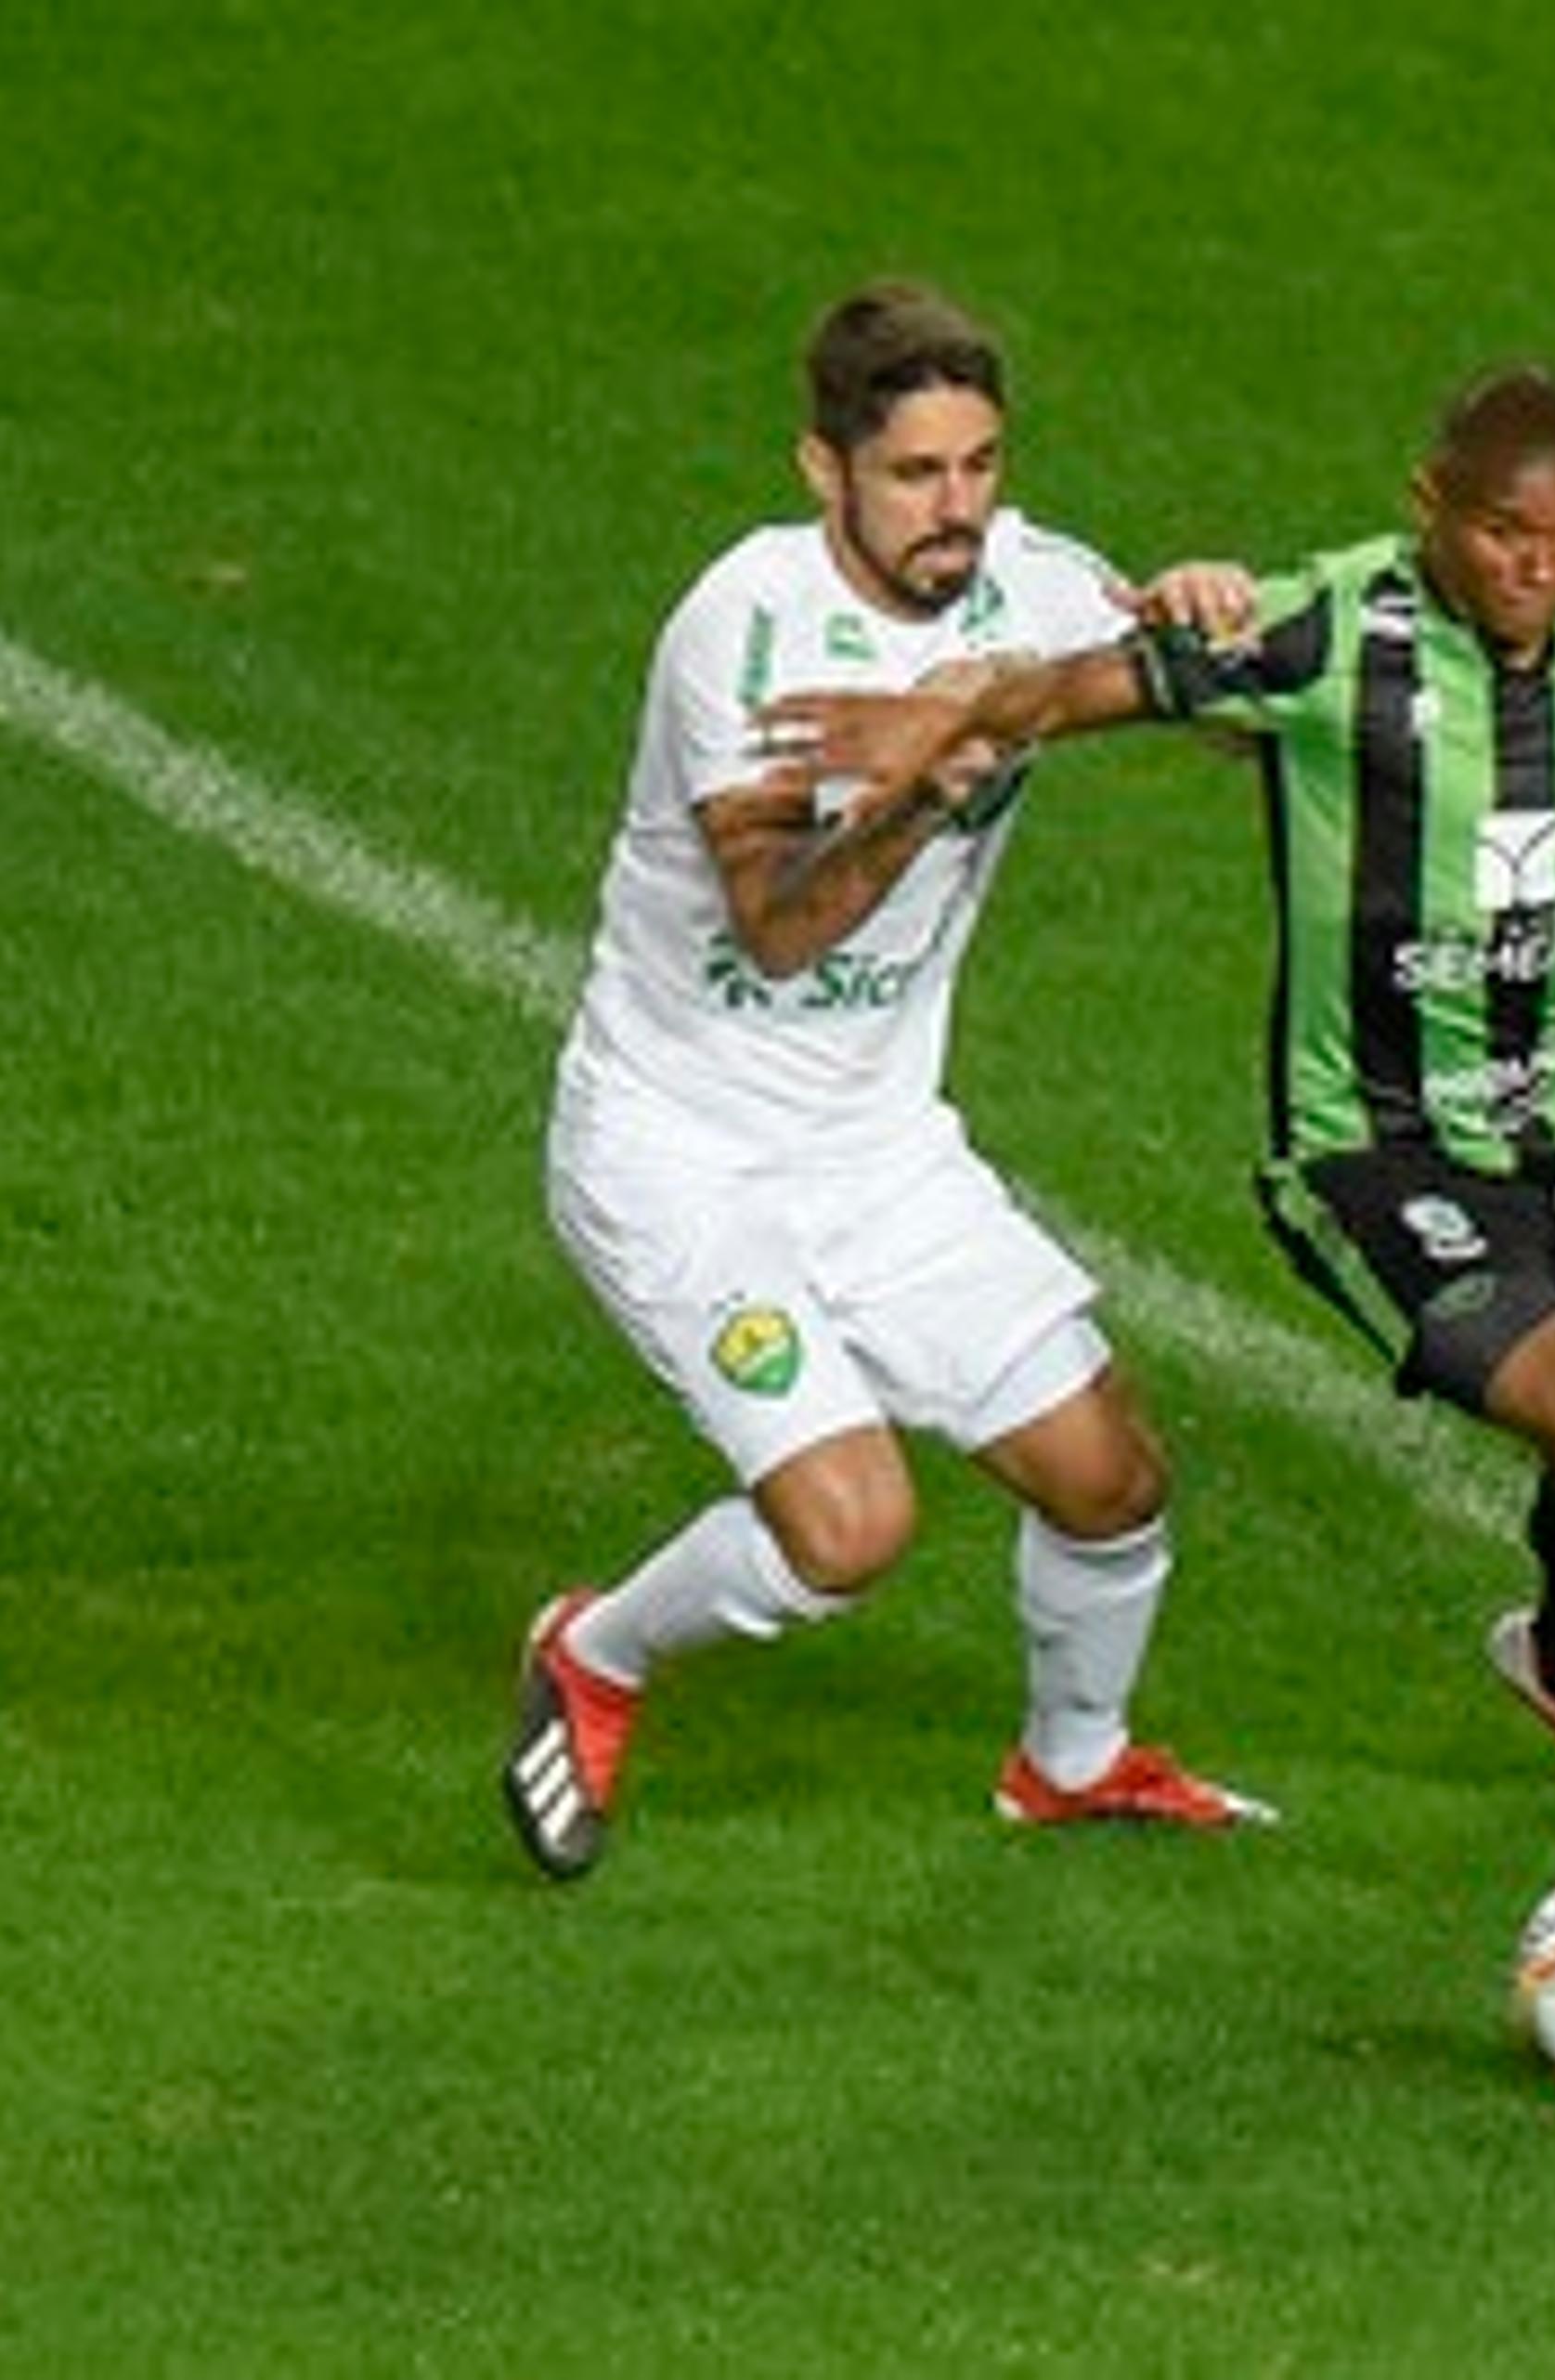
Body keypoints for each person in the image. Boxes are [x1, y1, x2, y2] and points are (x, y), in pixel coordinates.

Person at [763, 363, 1555, 1895]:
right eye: (1507, 534)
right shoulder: (1336, 629)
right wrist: (935, 723)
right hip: (1371, 1150)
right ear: (1430, 511)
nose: (1539, 567)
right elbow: (1084, 688)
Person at [506, 280, 1273, 1882]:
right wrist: (934, 781)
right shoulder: (746, 630)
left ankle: (1070, 1765)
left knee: (1109, 1476)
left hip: (875, 1149)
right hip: (677, 1154)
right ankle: (593, 1653)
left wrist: (1221, 637)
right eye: (917, 474)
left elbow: (1248, 732)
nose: (958, 510)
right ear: (824, 470)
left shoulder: (1039, 590)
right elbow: (779, 930)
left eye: (981, 465)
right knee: (850, 1534)